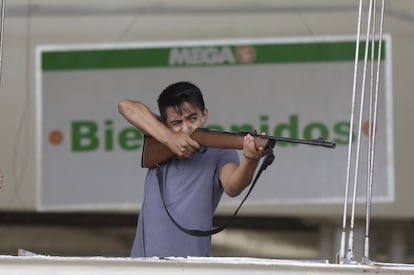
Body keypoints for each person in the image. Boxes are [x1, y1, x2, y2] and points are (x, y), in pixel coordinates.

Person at [118, 81, 266, 258]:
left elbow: (232, 187)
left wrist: (250, 160)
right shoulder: (160, 137)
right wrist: (169, 139)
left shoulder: (220, 152)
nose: (186, 128)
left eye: (192, 118)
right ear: (165, 124)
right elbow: (126, 106)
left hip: (192, 264)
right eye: (176, 123)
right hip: (144, 264)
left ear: (205, 115)